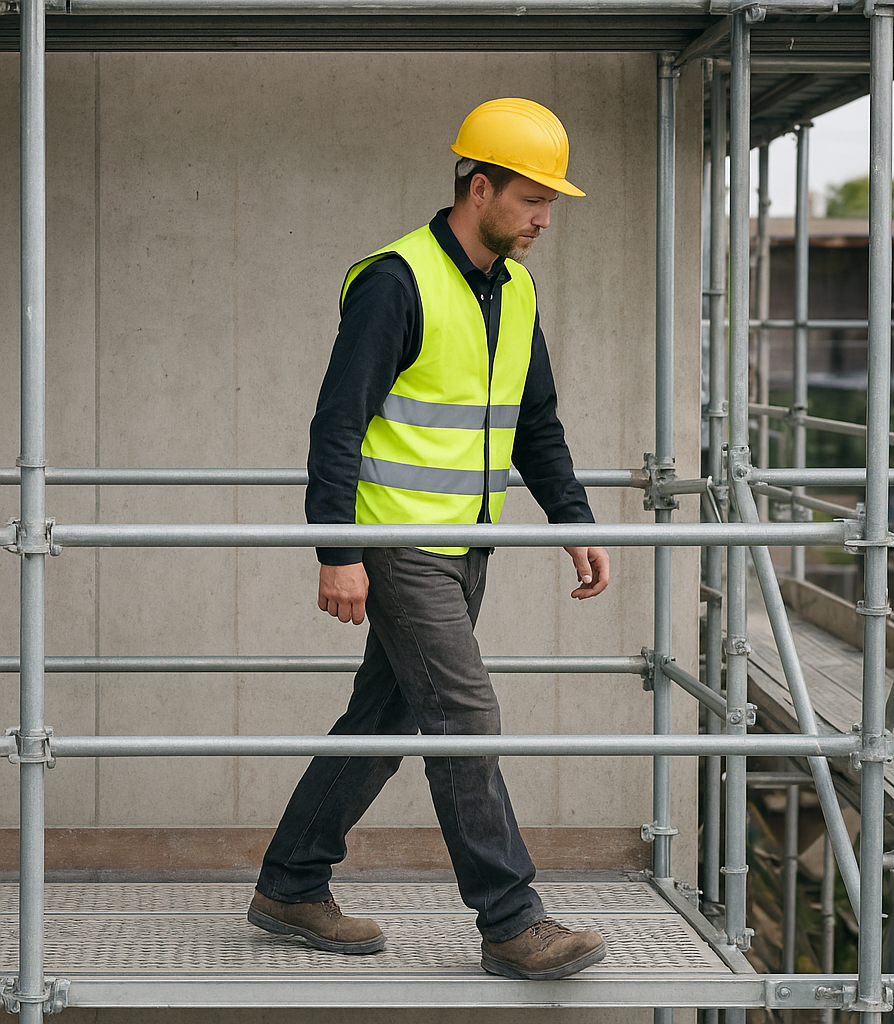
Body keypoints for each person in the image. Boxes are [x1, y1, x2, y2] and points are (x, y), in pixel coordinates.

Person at [248, 97, 611, 982]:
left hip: (466, 545)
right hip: (397, 542)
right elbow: (337, 424)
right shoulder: (397, 280)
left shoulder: (515, 288)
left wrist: (574, 519)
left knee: (387, 714)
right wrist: (336, 549)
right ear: (478, 187)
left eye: (551, 203)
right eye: (532, 200)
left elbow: (536, 420)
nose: (543, 219)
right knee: (465, 714)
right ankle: (510, 920)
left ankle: (291, 882)